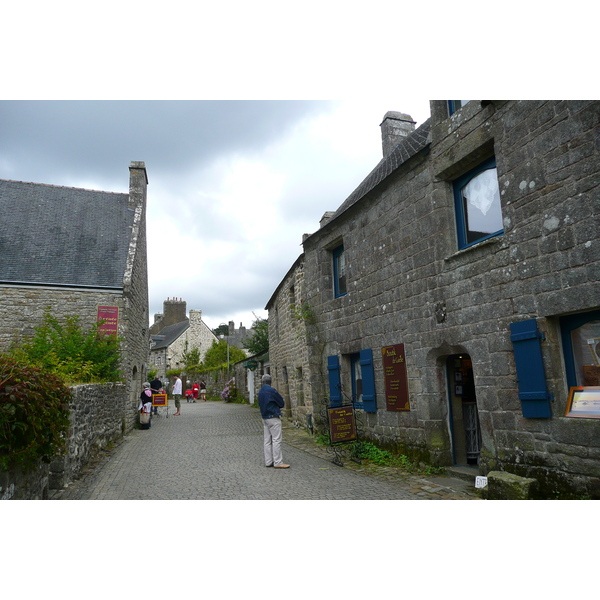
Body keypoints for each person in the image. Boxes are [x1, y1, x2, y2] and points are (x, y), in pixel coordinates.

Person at [258, 374, 290, 468]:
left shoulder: (260, 392)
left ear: (263, 382)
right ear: (270, 382)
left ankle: (268, 461)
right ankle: (278, 462)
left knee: (267, 440)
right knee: (276, 439)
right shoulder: (272, 391)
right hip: (273, 416)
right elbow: (281, 403)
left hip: (264, 417)